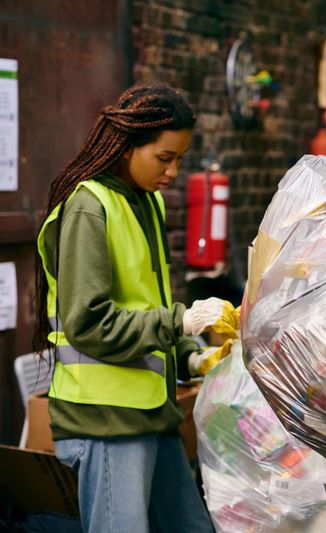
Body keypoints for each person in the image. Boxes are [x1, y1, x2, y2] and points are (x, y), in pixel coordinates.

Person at [33, 83, 237, 533]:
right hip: (105, 422)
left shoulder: (147, 202)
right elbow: (87, 323)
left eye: (180, 159)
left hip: (151, 413)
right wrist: (180, 320)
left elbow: (148, 304)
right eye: (164, 158)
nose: (173, 171)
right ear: (127, 147)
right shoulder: (89, 207)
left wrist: (191, 355)